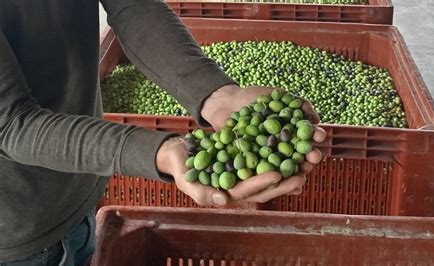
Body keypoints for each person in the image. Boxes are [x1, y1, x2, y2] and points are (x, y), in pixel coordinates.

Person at [0, 0, 325, 265]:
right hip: (14, 232)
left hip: (76, 189)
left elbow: (131, 6)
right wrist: (160, 152)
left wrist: (216, 95)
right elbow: (11, 123)